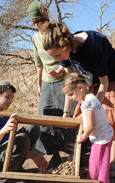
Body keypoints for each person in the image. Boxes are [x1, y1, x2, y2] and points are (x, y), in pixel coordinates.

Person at [40, 21, 115, 183]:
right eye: (54, 57)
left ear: (66, 45)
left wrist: (93, 107)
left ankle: (112, 165)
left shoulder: (92, 46)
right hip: (91, 82)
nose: (58, 59)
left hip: (112, 79)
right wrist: (67, 113)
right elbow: (73, 82)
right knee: (84, 119)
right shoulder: (64, 55)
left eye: (58, 55)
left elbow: (104, 83)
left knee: (113, 123)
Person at [27, 1, 76, 168]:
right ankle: (54, 154)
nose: (40, 24)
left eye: (42, 20)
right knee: (46, 120)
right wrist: (39, 85)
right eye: (36, 21)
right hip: (47, 84)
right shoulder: (34, 38)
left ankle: (74, 153)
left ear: (47, 17)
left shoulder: (57, 31)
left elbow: (68, 57)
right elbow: (38, 62)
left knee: (67, 118)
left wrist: (61, 71)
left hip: (63, 79)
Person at [62, 72, 113, 183]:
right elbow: (86, 117)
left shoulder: (86, 103)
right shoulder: (90, 97)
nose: (72, 98)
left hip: (100, 139)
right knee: (102, 162)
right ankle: (104, 182)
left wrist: (82, 138)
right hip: (104, 134)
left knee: (94, 165)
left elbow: (89, 126)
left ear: (80, 88)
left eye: (71, 95)